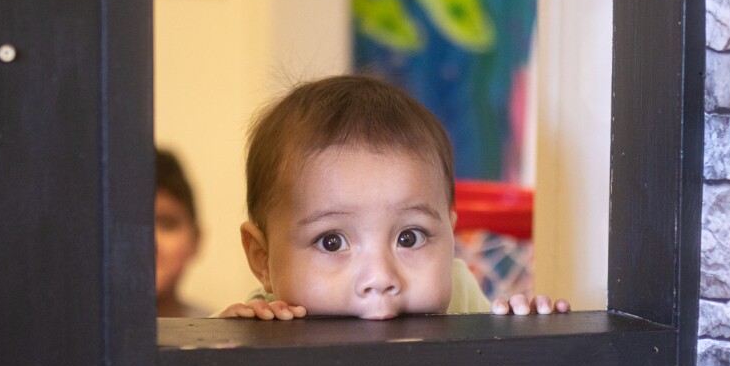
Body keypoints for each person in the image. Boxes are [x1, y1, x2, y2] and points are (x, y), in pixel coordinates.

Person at [216, 75, 569, 320]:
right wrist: (229, 341)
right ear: (263, 260)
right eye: (332, 241)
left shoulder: (459, 292)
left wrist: (527, 337)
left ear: (450, 232)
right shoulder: (265, 320)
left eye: (409, 237)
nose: (380, 277)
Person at [155, 148, 210, 318]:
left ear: (196, 239)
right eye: (131, 224)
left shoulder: (216, 333)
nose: (150, 242)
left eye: (167, 223)